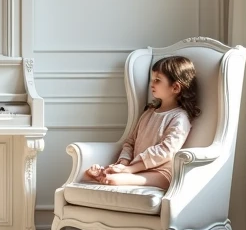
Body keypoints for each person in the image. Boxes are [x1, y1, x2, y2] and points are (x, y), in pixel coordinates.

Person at [84, 56, 201, 189]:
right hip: (135, 168)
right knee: (98, 175)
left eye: (157, 80)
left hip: (160, 173)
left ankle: (105, 177)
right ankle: (105, 174)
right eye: (152, 80)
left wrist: (131, 169)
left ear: (175, 87)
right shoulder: (149, 112)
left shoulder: (180, 118)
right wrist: (123, 163)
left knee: (113, 180)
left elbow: (166, 151)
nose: (152, 84)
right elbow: (130, 142)